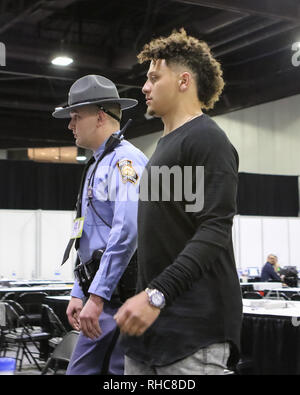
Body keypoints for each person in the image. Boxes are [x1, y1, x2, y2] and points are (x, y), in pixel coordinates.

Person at [114, 28, 243, 375]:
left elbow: (215, 229)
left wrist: (156, 294)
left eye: (154, 78)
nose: (145, 87)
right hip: (148, 336)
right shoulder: (161, 149)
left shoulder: (208, 140)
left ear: (184, 81)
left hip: (193, 336)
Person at [52, 74, 148, 375]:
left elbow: (127, 230)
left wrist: (96, 294)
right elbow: (88, 235)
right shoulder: (97, 163)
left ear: (100, 117)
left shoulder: (126, 162)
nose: (70, 125)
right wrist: (79, 292)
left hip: (119, 299)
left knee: (118, 374)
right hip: (101, 296)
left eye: (76, 117)